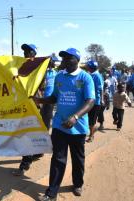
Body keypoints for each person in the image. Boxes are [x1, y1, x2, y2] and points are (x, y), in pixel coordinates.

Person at [34, 48, 95, 201]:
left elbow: (90, 101)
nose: (64, 61)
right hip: (59, 126)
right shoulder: (60, 77)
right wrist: (40, 100)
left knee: (78, 159)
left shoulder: (85, 77)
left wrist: (75, 117)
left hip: (78, 127)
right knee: (58, 159)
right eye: (63, 58)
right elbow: (55, 97)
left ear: (76, 60)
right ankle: (51, 193)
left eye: (68, 58)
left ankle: (77, 184)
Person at [12, 43, 41, 176]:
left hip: (34, 105)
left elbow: (43, 85)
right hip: (21, 105)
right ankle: (36, 152)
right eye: (25, 51)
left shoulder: (40, 67)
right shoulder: (19, 66)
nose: (26, 54)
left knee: (28, 134)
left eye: (29, 51)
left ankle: (24, 164)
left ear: (34, 54)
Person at [85, 60, 104, 142]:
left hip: (95, 102)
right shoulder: (90, 75)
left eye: (88, 66)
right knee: (87, 118)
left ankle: (91, 136)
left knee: (91, 120)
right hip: (88, 100)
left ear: (90, 67)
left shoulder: (97, 76)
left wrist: (102, 100)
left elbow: (101, 89)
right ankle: (89, 133)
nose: (87, 67)